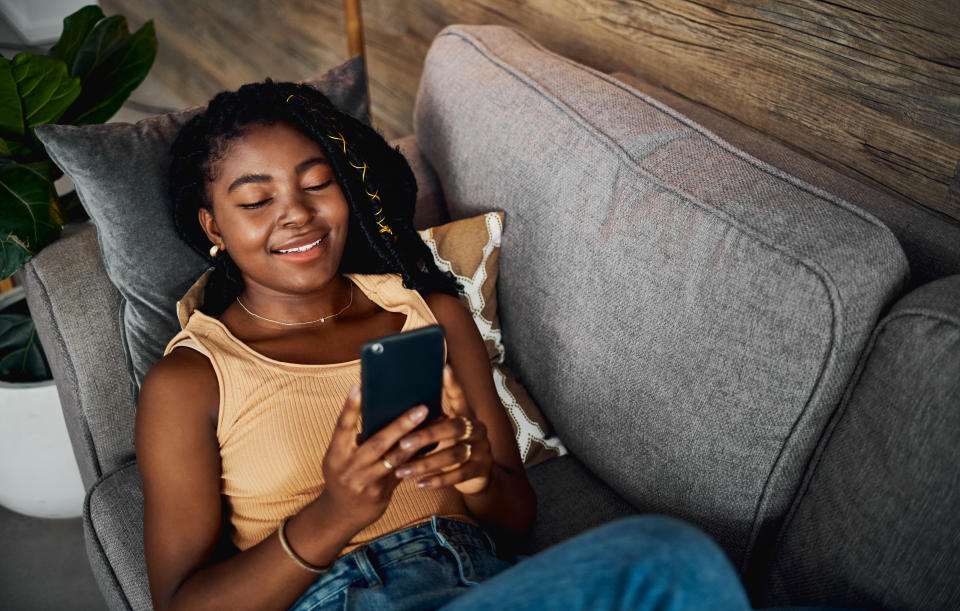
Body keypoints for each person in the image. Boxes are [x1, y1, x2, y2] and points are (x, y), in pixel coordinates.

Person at [136, 79, 754, 610]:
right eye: (256, 200)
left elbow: (516, 516)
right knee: (665, 555)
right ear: (212, 224)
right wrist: (335, 515)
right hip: (341, 596)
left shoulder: (430, 314)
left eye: (317, 183)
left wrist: (477, 470)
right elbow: (181, 602)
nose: (296, 213)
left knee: (673, 557)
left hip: (484, 580)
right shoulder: (193, 379)